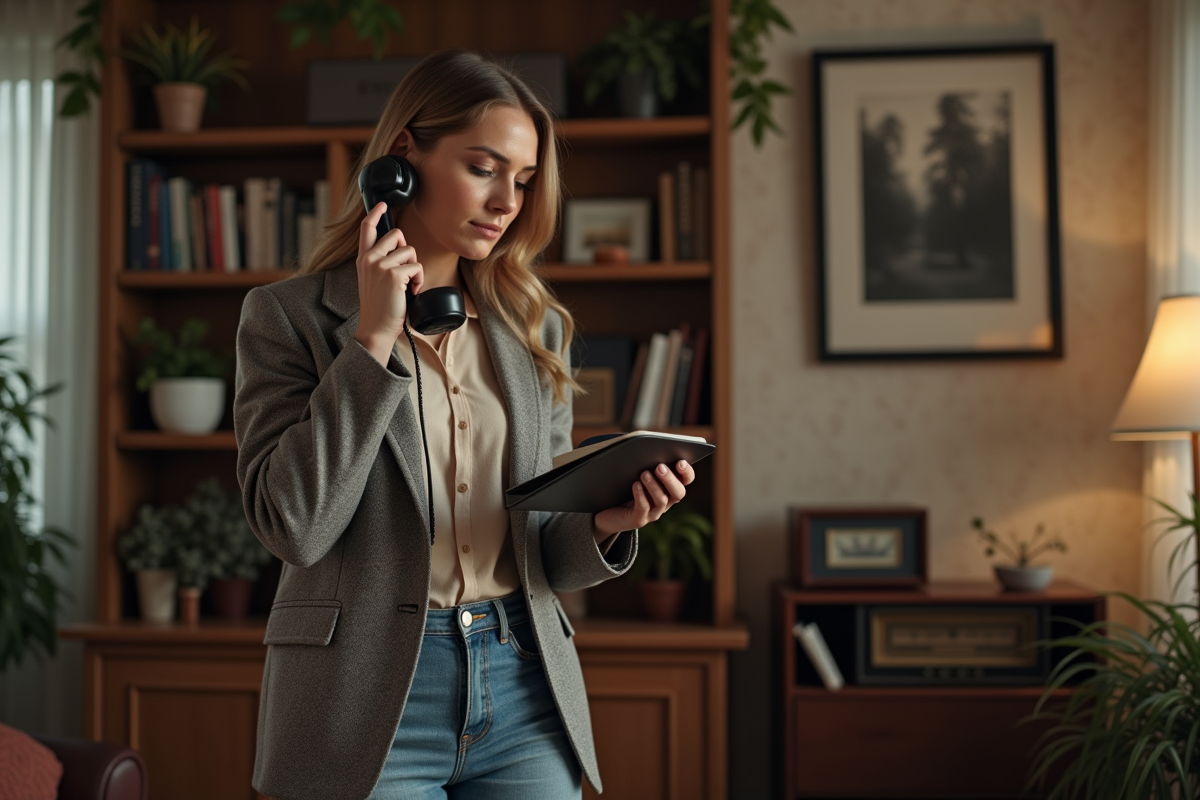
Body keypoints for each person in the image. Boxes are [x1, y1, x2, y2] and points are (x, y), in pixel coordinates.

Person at [233, 50, 695, 800]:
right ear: (404, 157)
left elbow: (545, 550)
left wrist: (607, 523)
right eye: (484, 168)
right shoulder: (287, 318)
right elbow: (294, 526)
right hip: (363, 696)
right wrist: (373, 343)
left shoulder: (534, 327)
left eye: (522, 179)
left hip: (522, 683)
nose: (507, 200)